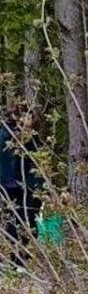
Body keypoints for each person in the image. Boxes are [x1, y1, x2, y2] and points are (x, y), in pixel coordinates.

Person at [0, 106, 42, 267]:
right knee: (17, 220)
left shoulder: (29, 137)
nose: (26, 120)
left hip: (24, 185)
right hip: (14, 185)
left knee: (26, 219)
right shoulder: (10, 135)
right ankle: (18, 260)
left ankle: (22, 256)